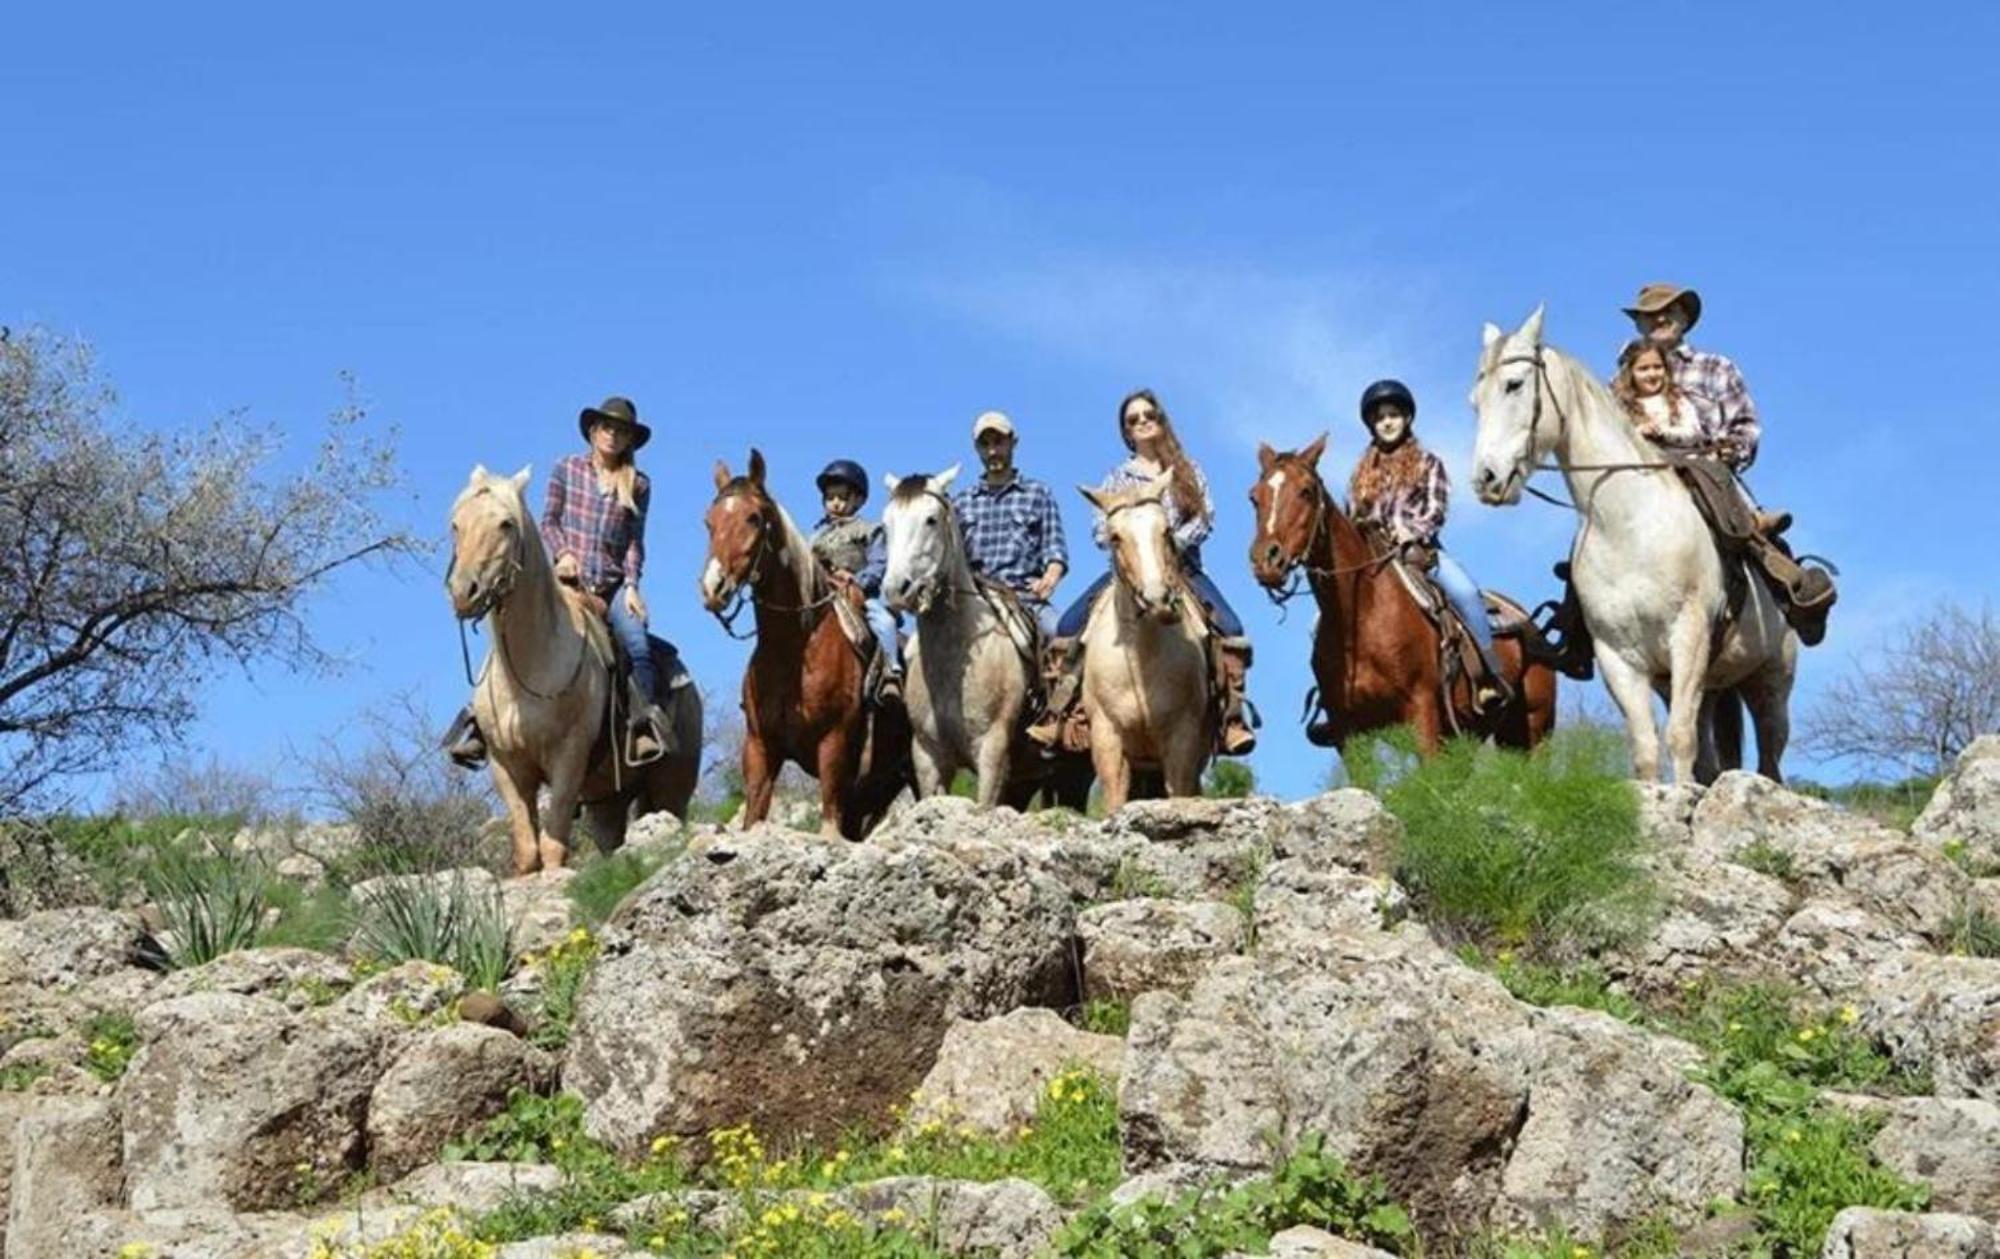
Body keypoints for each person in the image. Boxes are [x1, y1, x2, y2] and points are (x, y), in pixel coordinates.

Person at [445, 395, 673, 767]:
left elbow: (634, 542)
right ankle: (479, 721)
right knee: (515, 630)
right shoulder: (566, 469)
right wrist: (564, 554)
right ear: (593, 431)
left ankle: (643, 726)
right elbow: (548, 520)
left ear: (630, 440)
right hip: (563, 582)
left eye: (622, 431)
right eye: (607, 427)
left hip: (612, 586)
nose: (613, 436)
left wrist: (632, 585)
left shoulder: (640, 485)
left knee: (636, 641)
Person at [1029, 389, 1257, 756]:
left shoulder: (1187, 469)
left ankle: (1230, 720)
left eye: (1148, 415)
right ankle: (1062, 714)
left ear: (1160, 419)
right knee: (1067, 626)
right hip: (1128, 573)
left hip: (1184, 569)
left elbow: (1205, 518)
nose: (1142, 422)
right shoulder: (1117, 477)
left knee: (1231, 628)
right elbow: (1098, 529)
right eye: (1133, 420)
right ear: (1127, 432)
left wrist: (1167, 546)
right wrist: (1133, 545)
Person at [1620, 282, 1835, 643]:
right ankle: (1576, 625)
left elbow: (1745, 425)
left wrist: (1726, 453)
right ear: (1640, 325)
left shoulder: (1715, 367)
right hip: (1642, 480)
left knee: (1733, 519)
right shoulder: (1622, 378)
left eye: (1668, 311)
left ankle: (1789, 585)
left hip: (1705, 469)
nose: (1659, 318)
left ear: (1684, 318)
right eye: (1649, 315)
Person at [1348, 378, 1510, 714]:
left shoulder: (1427, 463)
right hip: (1373, 564)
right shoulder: (1360, 474)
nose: (1387, 422)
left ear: (1407, 419)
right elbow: (1352, 518)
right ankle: (1334, 696)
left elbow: (1435, 510)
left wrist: (1411, 531)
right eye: (1380, 418)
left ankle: (1488, 674)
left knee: (1465, 593)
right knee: (1320, 623)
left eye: (1393, 414)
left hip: (1419, 555)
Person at [951, 410, 1069, 637]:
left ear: (1013, 442)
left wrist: (1049, 579)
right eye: (984, 445)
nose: (992, 451)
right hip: (974, 603)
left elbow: (1055, 551)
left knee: (1064, 637)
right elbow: (953, 559)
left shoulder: (1038, 493)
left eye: (998, 442)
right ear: (977, 449)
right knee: (918, 652)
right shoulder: (961, 503)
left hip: (1025, 600)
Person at [810, 457, 902, 703]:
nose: (835, 503)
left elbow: (878, 565)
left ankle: (891, 672)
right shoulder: (817, 535)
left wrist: (857, 580)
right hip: (821, 596)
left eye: (842, 497)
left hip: (856, 595)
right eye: (830, 498)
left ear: (858, 499)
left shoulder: (870, 530)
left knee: (884, 621)